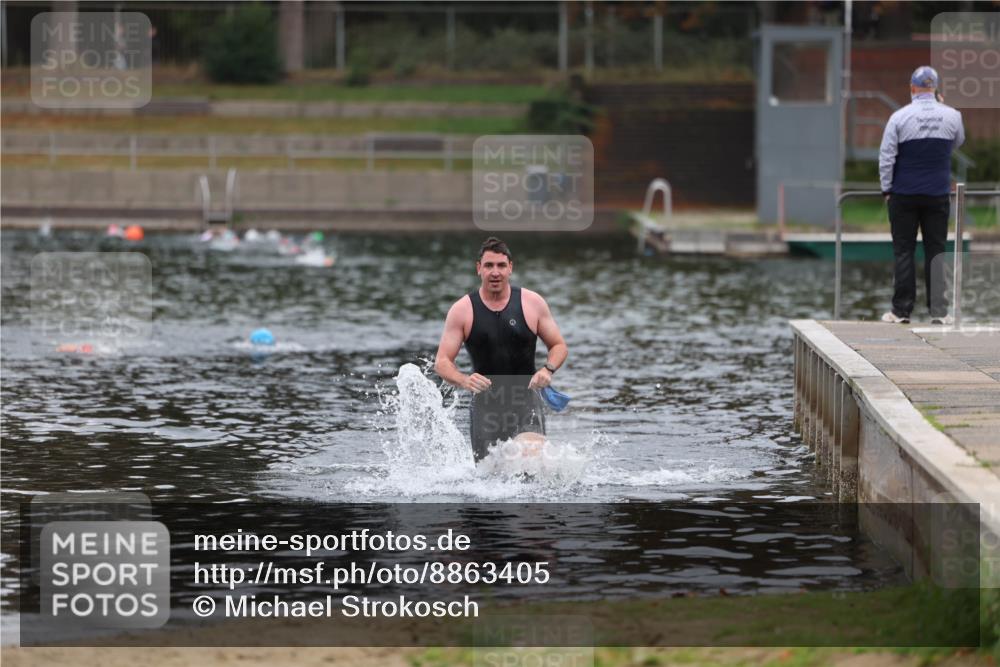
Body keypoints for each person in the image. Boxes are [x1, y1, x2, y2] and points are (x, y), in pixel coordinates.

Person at [435, 237, 568, 462]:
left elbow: (559, 345)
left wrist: (548, 369)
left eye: (501, 265)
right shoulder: (462, 310)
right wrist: (464, 380)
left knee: (531, 461)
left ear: (510, 268)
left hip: (526, 399)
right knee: (489, 480)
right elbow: (442, 362)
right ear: (479, 269)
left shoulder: (532, 303)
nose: (495, 272)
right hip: (485, 406)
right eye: (489, 266)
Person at [878, 65, 965, 325]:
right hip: (937, 193)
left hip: (904, 194)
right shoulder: (953, 116)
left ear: (912, 88)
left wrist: (886, 188)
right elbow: (957, 142)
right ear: (936, 88)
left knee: (904, 251)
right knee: (935, 251)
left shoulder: (899, 117)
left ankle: (901, 311)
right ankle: (939, 312)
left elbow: (886, 157)